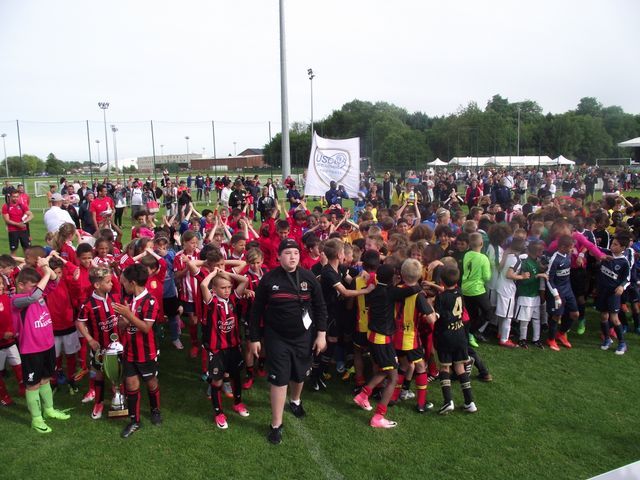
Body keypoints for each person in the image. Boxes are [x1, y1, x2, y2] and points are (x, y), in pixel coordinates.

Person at [248, 238, 327, 445]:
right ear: (278, 256)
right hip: (277, 337)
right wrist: (254, 338)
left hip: (303, 337)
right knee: (279, 378)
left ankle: (295, 400)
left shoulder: (309, 278)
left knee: (299, 374)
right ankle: (276, 425)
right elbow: (256, 310)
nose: (292, 257)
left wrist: (321, 334)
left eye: (296, 253)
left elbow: (320, 307)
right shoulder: (269, 279)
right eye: (288, 253)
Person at [352, 263, 422, 428]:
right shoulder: (391, 292)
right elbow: (413, 289)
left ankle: (363, 395)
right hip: (382, 339)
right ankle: (378, 417)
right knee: (393, 378)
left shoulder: (375, 289)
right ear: (392, 278)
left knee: (385, 370)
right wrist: (419, 282)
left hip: (372, 336)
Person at [12, 261, 71, 433]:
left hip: (47, 345)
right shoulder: (17, 300)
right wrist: (45, 275)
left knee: (45, 378)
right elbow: (33, 296)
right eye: (33, 286)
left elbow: (54, 280)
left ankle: (49, 409)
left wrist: (45, 266)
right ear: (21, 285)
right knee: (33, 384)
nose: (38, 289)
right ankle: (36, 419)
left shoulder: (38, 294)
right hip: (31, 349)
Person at [113, 263, 161, 438]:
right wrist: (124, 320)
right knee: (131, 385)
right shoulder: (129, 301)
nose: (123, 285)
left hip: (146, 351)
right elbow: (121, 325)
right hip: (129, 351)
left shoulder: (150, 301)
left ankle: (155, 410)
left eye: (124, 282)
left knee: (151, 382)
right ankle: (134, 421)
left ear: (132, 283)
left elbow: (146, 328)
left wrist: (128, 315)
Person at [200, 267, 250, 429]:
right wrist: (215, 273)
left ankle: (238, 403)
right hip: (217, 350)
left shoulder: (233, 298)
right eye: (223, 288)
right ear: (214, 289)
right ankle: (219, 413)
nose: (227, 290)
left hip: (233, 347)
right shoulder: (212, 302)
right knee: (218, 381)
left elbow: (244, 280)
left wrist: (226, 274)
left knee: (235, 376)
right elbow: (203, 285)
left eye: (229, 287)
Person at [430, 265, 477, 415]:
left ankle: (448, 401)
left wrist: (430, 309)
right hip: (460, 335)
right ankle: (469, 402)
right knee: (460, 367)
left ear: (441, 281)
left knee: (444, 368)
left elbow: (437, 316)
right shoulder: (459, 292)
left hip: (446, 336)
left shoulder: (441, 297)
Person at [76, 266, 119, 420]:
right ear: (97, 285)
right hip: (99, 348)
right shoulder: (88, 304)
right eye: (108, 282)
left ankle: (117, 396)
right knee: (98, 375)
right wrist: (90, 339)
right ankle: (98, 403)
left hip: (116, 346)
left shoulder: (115, 298)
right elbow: (80, 323)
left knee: (116, 373)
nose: (112, 284)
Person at [597, 234, 631, 355]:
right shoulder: (606, 253)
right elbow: (593, 249)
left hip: (613, 293)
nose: (612, 246)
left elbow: (627, 279)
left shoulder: (624, 262)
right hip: (602, 291)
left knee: (614, 318)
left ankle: (622, 343)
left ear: (623, 248)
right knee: (603, 316)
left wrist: (621, 286)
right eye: (612, 243)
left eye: (616, 245)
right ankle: (607, 339)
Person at [2, 189, 33, 256]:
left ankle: (27, 262)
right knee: (13, 251)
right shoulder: (6, 206)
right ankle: (13, 263)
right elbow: (7, 220)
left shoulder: (22, 205)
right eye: (14, 196)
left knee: (27, 250)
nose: (15, 198)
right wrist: (18, 224)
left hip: (23, 231)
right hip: (13, 231)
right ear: (10, 197)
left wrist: (24, 222)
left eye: (17, 196)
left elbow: (31, 215)